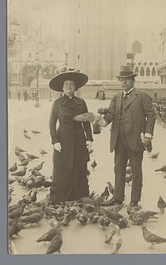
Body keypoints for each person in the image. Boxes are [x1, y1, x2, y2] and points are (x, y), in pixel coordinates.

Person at [94, 64, 156, 208]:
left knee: (136, 170)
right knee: (119, 169)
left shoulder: (142, 96)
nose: (123, 82)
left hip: (135, 140)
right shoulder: (116, 98)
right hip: (118, 140)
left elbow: (151, 116)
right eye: (121, 79)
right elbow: (110, 115)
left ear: (133, 80)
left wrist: (148, 136)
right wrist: (99, 123)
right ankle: (118, 197)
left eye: (127, 79)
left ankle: (134, 201)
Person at [49, 69, 93, 204]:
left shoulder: (81, 102)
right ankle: (61, 197)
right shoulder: (57, 103)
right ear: (62, 87)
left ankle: (78, 196)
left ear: (76, 87)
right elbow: (51, 123)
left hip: (79, 140)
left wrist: (89, 138)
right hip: (63, 140)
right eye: (66, 84)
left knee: (79, 168)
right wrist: (55, 141)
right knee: (62, 169)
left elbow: (86, 121)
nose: (69, 86)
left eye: (72, 84)